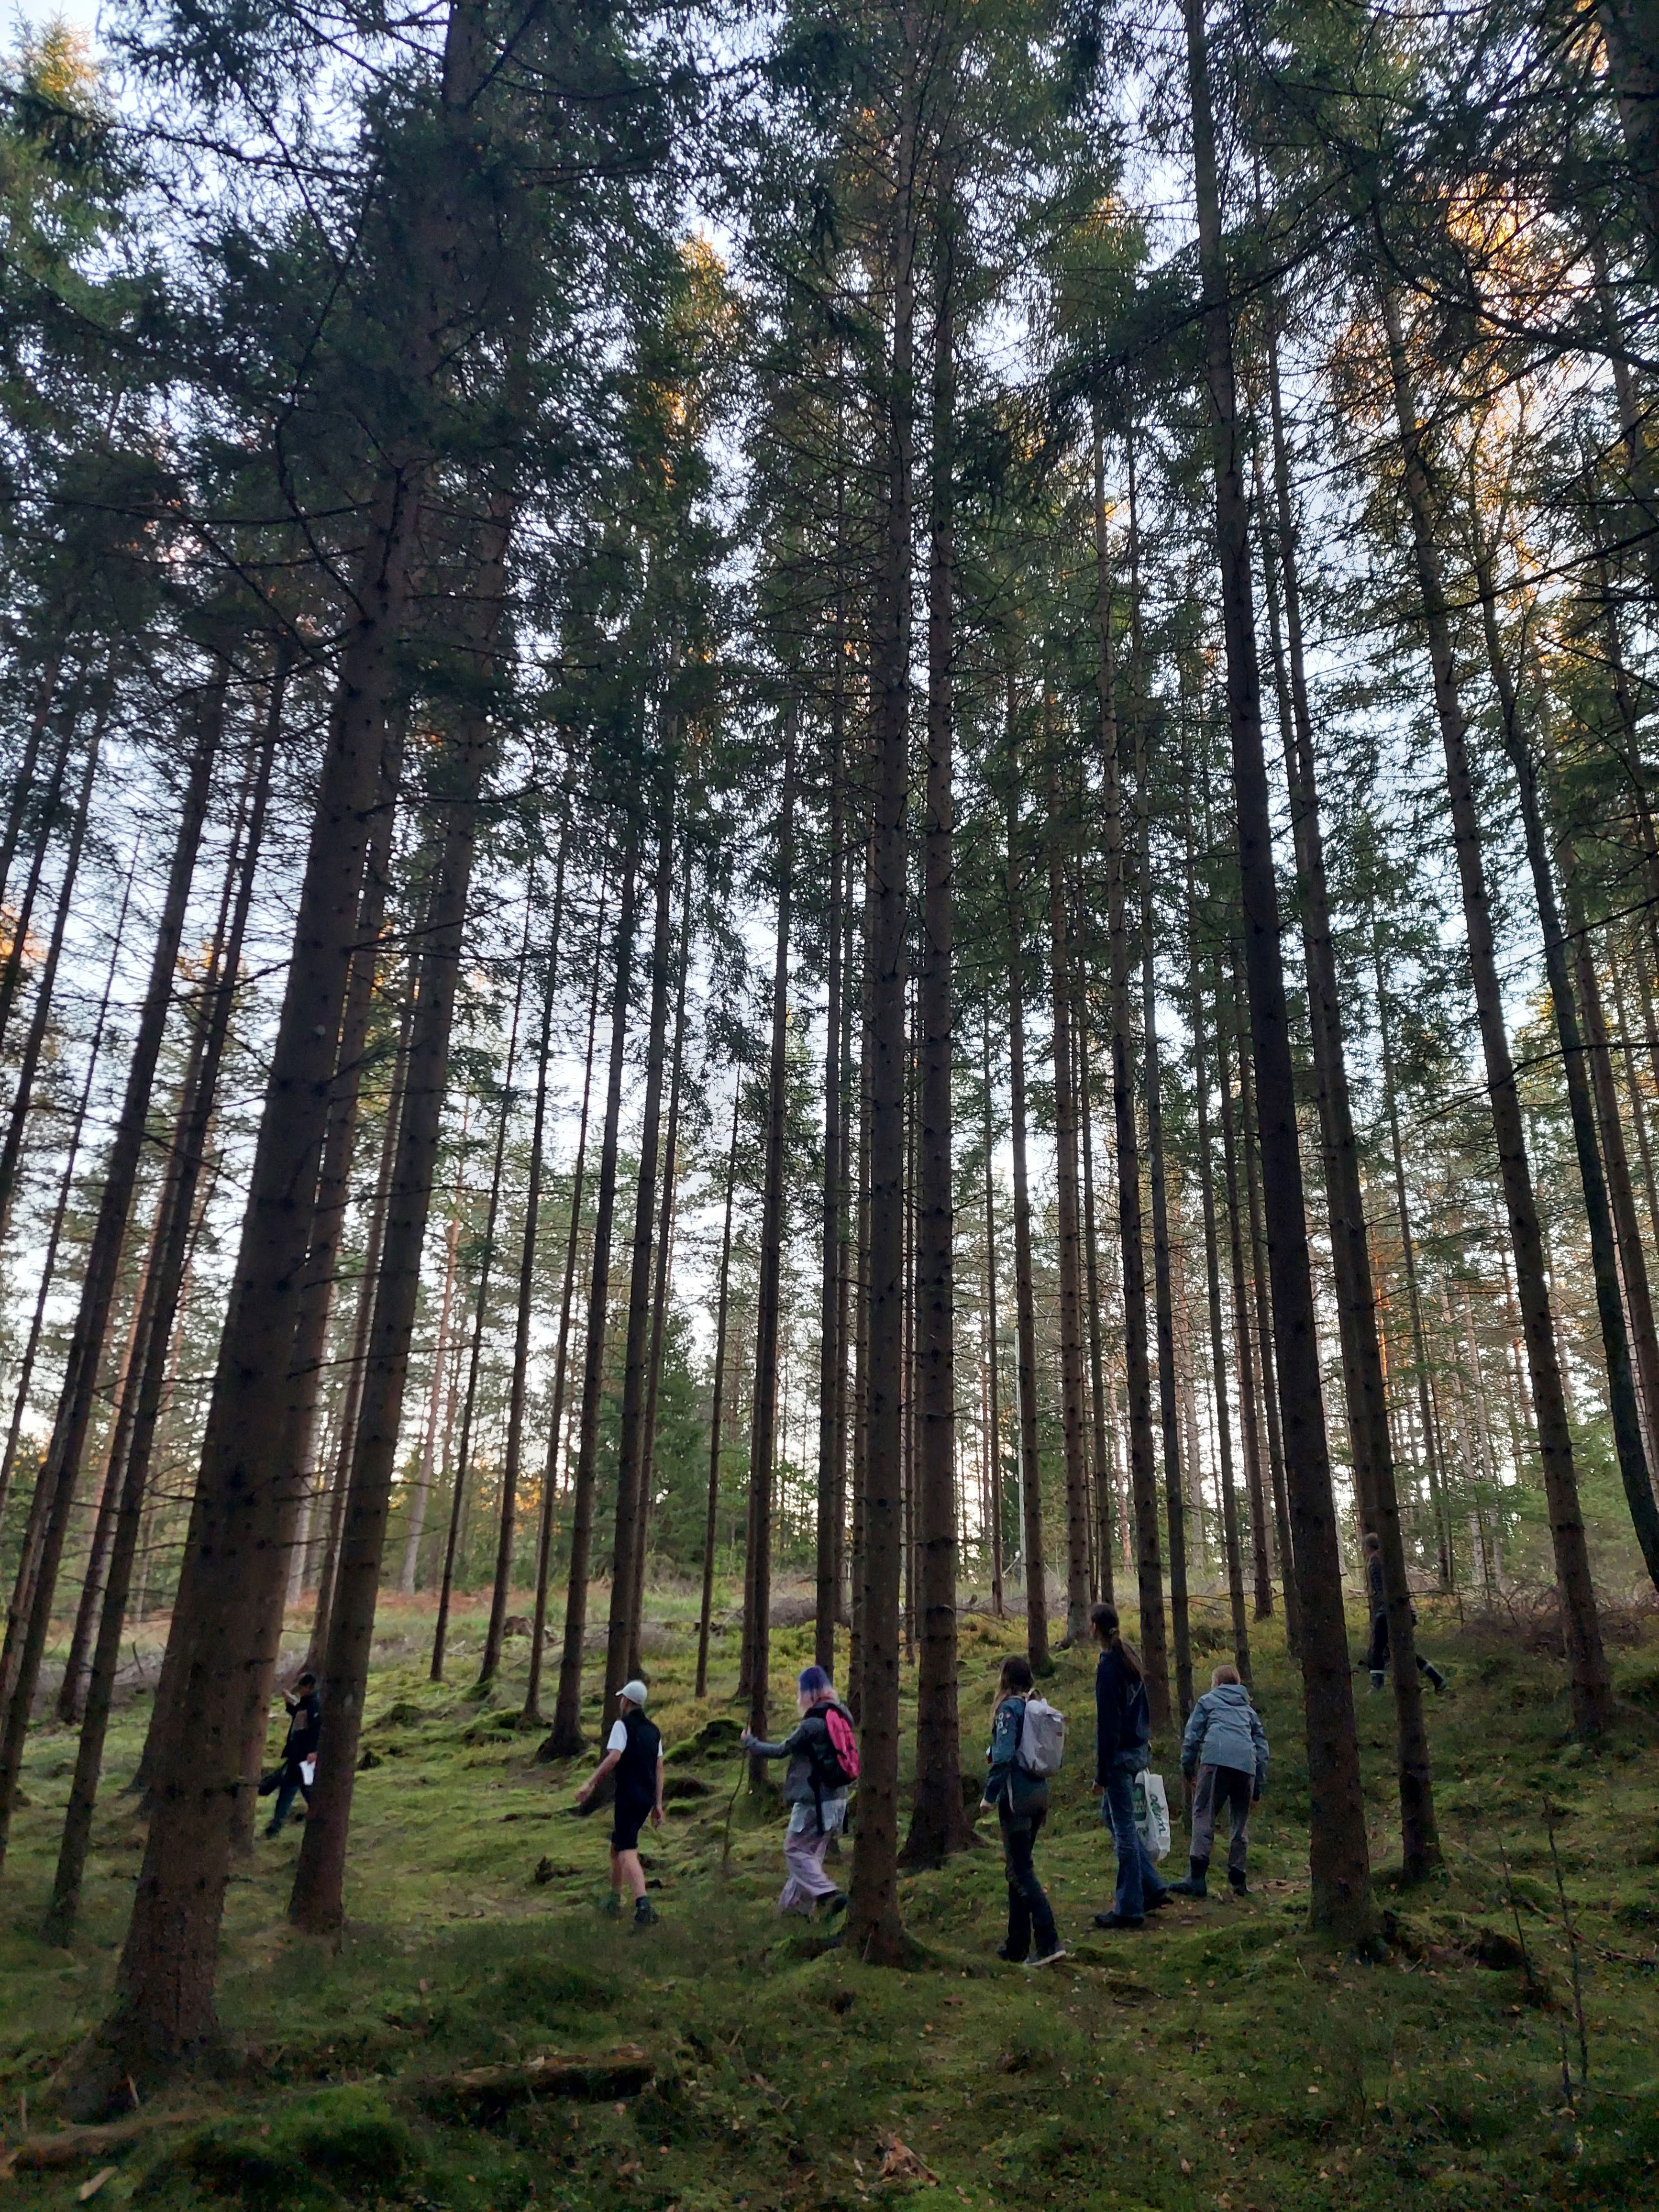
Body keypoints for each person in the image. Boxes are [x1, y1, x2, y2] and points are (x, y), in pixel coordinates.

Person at [741, 1665, 854, 1917]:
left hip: (813, 1800)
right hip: (839, 1800)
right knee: (810, 1858)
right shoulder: (841, 1716)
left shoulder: (812, 1725)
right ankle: (793, 1911)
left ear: (809, 1693)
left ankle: (828, 1893)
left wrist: (750, 1743)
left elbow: (781, 1750)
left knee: (794, 1849)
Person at [978, 1653, 1065, 1966]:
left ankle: (1048, 1940)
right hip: (1039, 1793)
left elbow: (1003, 1756)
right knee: (1017, 1867)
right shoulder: (1035, 1705)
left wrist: (990, 1796)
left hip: (1018, 1796)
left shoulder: (1010, 1709)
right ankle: (1016, 1944)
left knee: (1021, 1870)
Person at [1091, 1602, 1169, 1930]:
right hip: (1137, 1749)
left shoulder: (1110, 1668)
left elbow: (1108, 1726)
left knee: (1122, 1828)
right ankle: (1151, 1885)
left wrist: (1101, 1774)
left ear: (1095, 1627)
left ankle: (1128, 1908)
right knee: (1110, 1815)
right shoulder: (1129, 1658)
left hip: (1121, 1757)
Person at [1168, 1662, 1268, 1898]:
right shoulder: (1249, 1711)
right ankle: (1238, 1879)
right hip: (1247, 1765)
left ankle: (1197, 1878)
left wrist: (1188, 1768)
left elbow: (1193, 1736)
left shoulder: (1207, 1701)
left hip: (1216, 1762)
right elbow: (1262, 1749)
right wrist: (1258, 1786)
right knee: (1240, 1822)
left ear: (1218, 1684)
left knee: (1204, 1814)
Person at [576, 1678, 664, 1927]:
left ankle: (643, 1904)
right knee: (617, 1846)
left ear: (627, 1701)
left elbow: (614, 1757)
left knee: (627, 1852)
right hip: (646, 1797)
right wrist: (658, 1804)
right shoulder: (654, 1731)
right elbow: (659, 1768)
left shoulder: (621, 1726)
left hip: (628, 1796)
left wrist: (590, 1783)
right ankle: (615, 1900)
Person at [1363, 1530, 1446, 1693]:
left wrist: (1381, 1611)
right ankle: (1438, 1679)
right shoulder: (1386, 1560)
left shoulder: (1375, 1562)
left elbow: (1381, 1591)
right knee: (1404, 1650)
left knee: (1378, 1648)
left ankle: (1377, 1685)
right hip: (1401, 1610)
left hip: (1387, 1612)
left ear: (1368, 1547)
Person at [260, 1670, 321, 1838]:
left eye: (301, 1688)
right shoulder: (306, 1703)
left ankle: (276, 1826)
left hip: (305, 1758)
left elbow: (317, 1730)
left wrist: (315, 1752)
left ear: (309, 1687)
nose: (299, 1691)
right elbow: (299, 1719)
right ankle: (275, 1826)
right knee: (290, 1790)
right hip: (297, 1757)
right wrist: (289, 1703)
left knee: (301, 1790)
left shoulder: (315, 1705)